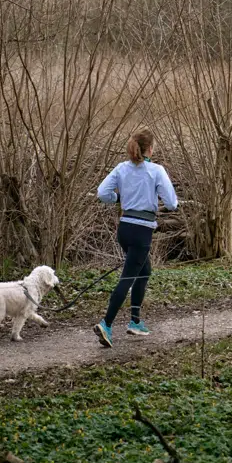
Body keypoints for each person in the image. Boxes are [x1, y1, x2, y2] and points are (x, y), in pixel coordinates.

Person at [93, 127, 177, 347]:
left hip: (124, 228)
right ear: (149, 148)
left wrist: (117, 199)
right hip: (142, 231)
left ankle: (135, 321)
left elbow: (102, 193)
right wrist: (164, 201)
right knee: (128, 277)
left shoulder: (121, 169)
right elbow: (171, 203)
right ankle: (106, 324)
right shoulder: (156, 170)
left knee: (144, 271)